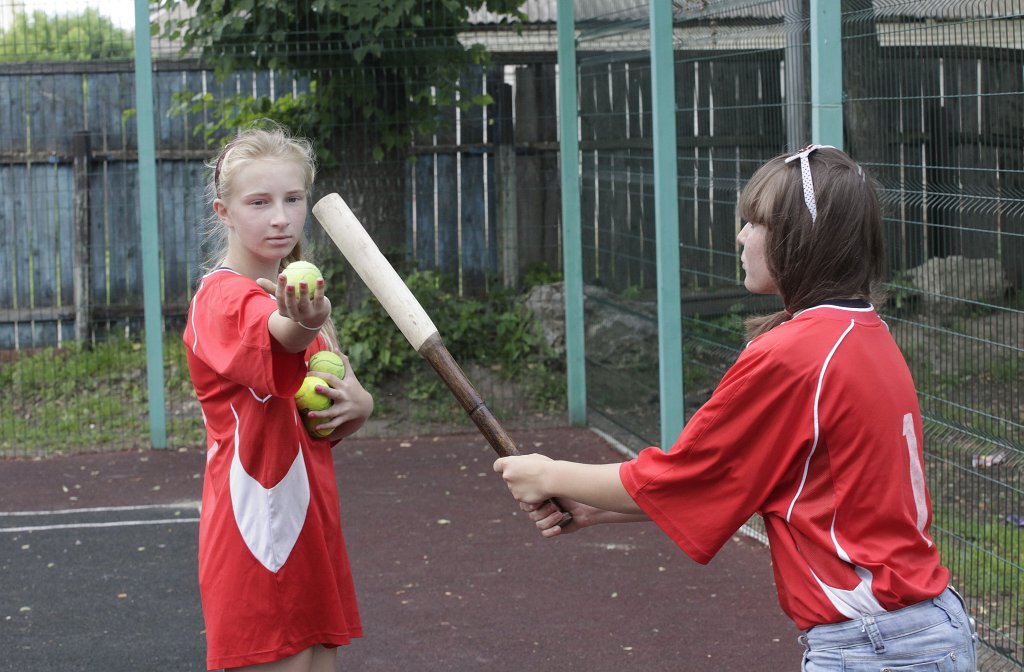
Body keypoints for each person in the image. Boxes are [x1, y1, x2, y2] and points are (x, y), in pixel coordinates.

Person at [494, 145, 977, 670]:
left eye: (755, 222)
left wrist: (548, 472)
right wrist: (596, 509)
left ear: (800, 238)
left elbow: (685, 475)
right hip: (921, 633)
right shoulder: (865, 333)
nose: (742, 236)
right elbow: (740, 482)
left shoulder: (796, 353)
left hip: (878, 648)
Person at [183, 123, 374, 672]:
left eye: (293, 199)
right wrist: (302, 321)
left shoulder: (302, 296)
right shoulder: (220, 299)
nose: (280, 217)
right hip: (254, 529)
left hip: (311, 520)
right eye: (259, 202)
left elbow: (343, 405)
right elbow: (276, 337)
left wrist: (361, 408)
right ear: (224, 212)